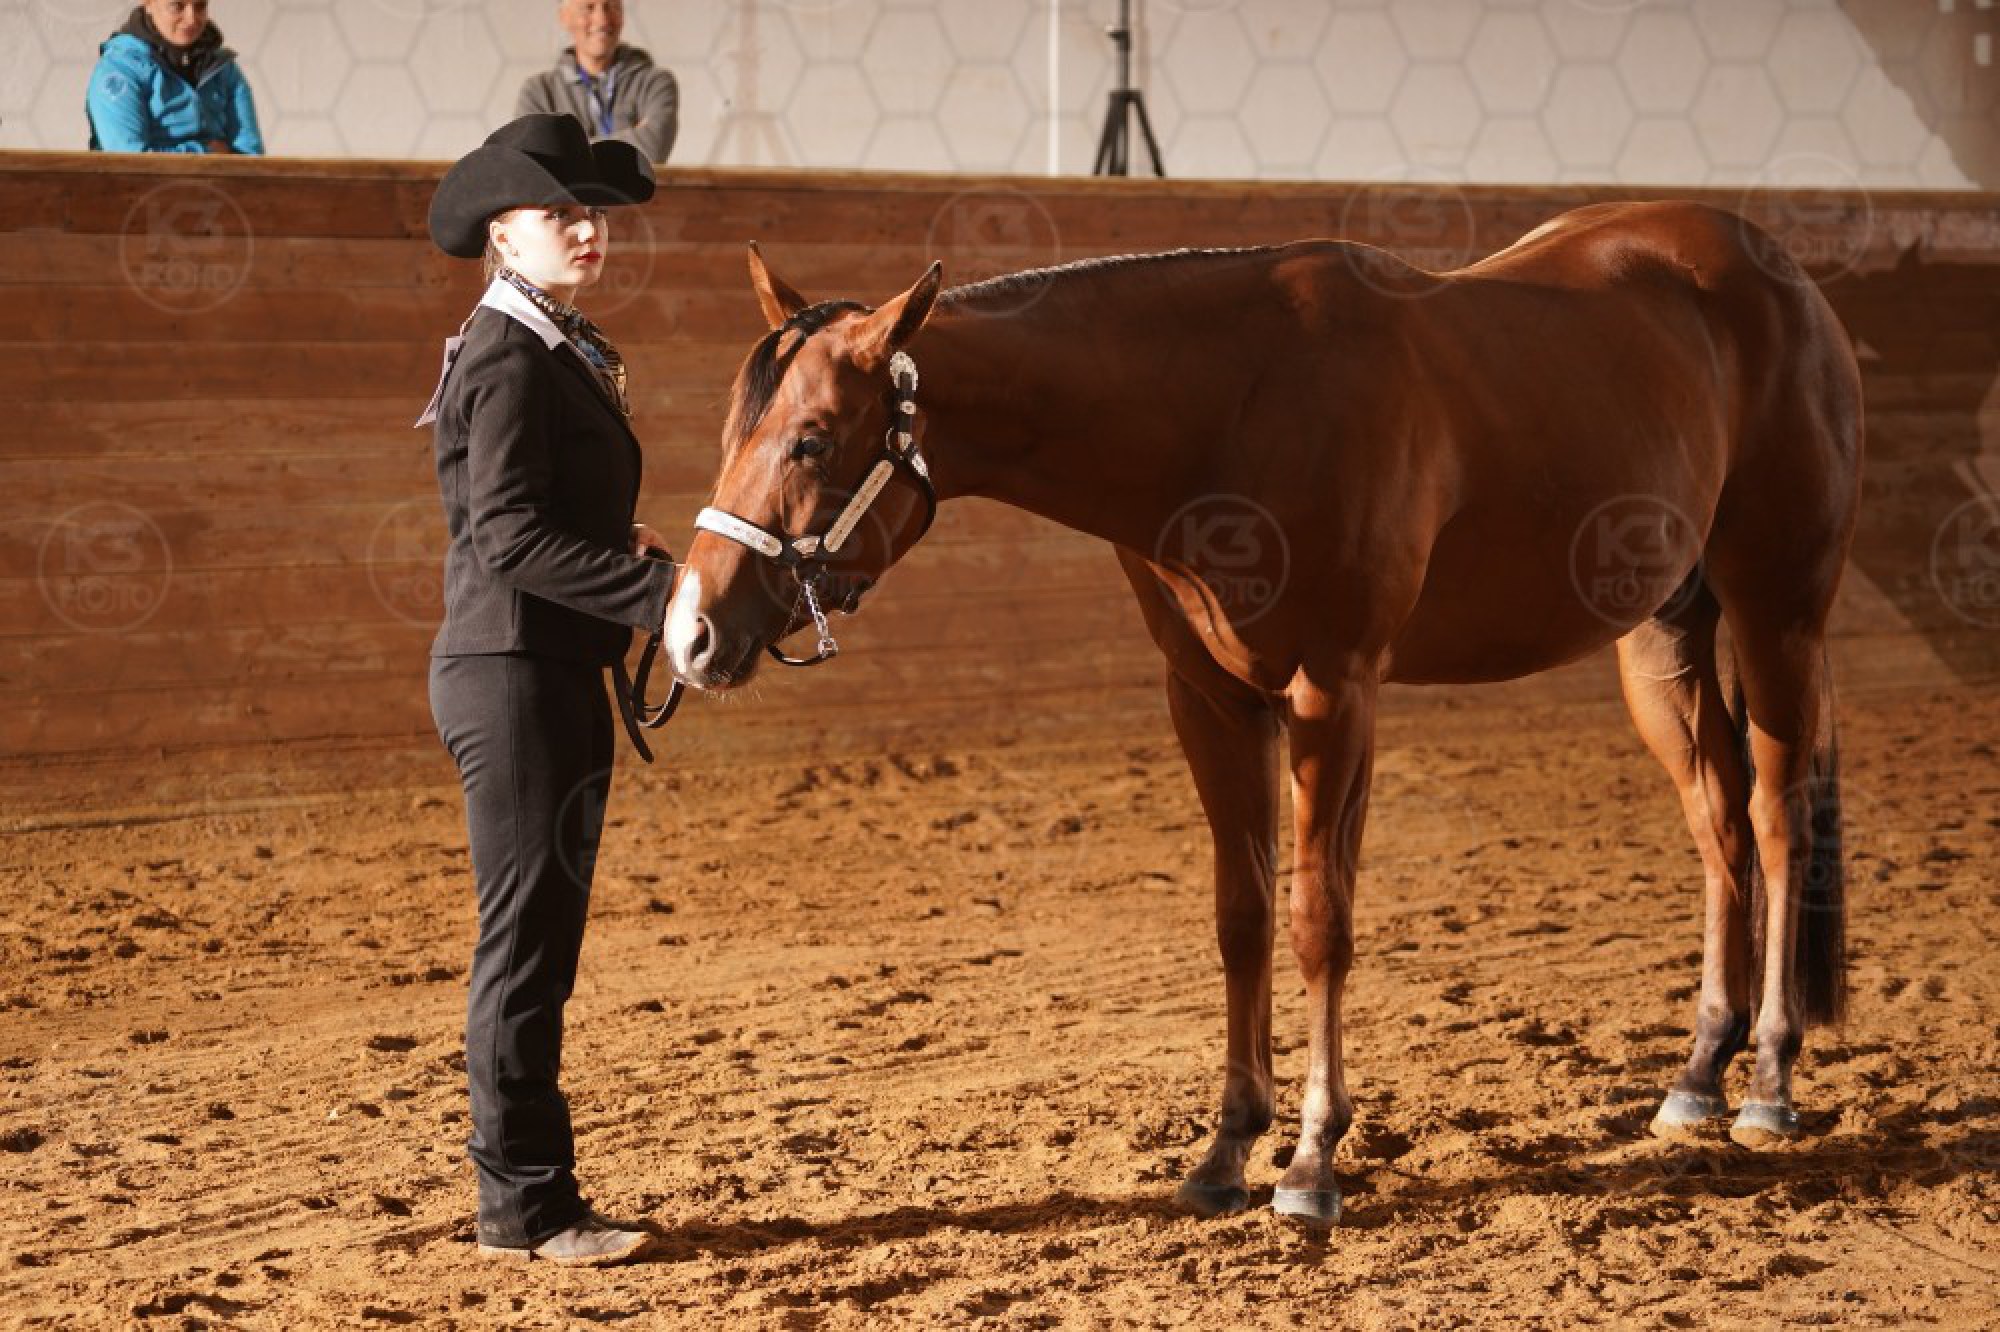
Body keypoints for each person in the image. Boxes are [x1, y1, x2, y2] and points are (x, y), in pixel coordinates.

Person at [419, 113, 676, 1267]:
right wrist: (656, 590)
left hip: (543, 668)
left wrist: (619, 545)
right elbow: (508, 538)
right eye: (557, 213)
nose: (585, 228)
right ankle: (524, 1209)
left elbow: (528, 518)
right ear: (501, 233)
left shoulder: (542, 343)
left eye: (589, 212)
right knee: (524, 950)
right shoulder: (511, 353)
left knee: (540, 946)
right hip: (513, 674)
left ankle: (530, 1198)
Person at [86, 1, 263, 155]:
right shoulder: (120, 70)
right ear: (148, 3)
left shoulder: (222, 67)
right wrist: (206, 152)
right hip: (145, 186)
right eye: (177, 6)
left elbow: (251, 156)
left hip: (221, 183)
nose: (191, 19)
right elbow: (129, 161)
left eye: (200, 6)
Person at [516, 0, 679, 164]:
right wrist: (634, 137)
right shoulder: (538, 92)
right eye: (589, 7)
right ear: (564, 17)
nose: (602, 20)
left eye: (611, 6)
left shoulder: (655, 83)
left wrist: (566, 150)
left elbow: (653, 148)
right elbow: (535, 161)